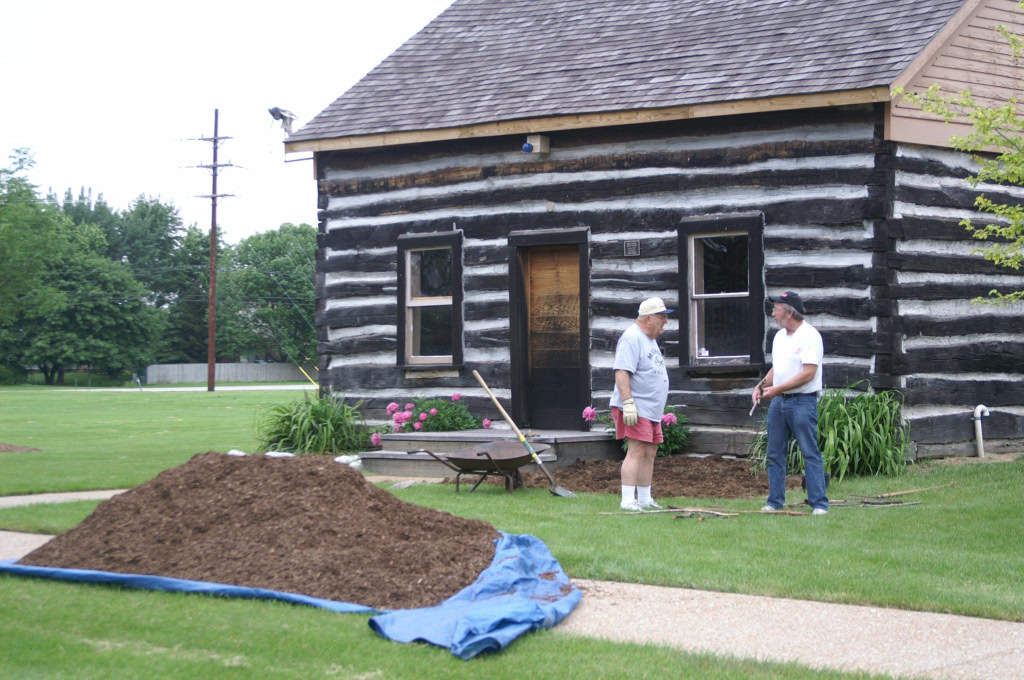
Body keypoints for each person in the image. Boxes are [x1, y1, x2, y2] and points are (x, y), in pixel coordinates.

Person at [752, 291, 829, 515]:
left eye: (776, 309)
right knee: (775, 453)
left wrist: (777, 389)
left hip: (803, 402)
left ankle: (819, 504)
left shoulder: (809, 336)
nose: (773, 313)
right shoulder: (779, 337)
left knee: (809, 452)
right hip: (779, 403)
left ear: (788, 312)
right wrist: (760, 386)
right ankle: (775, 502)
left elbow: (808, 373)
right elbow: (778, 369)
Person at [610, 296, 672, 511]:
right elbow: (621, 372)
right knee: (636, 450)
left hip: (651, 409)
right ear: (649, 318)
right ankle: (628, 501)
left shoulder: (649, 339)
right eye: (662, 317)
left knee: (650, 452)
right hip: (637, 406)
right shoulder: (632, 337)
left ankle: (645, 499)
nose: (666, 322)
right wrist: (628, 403)